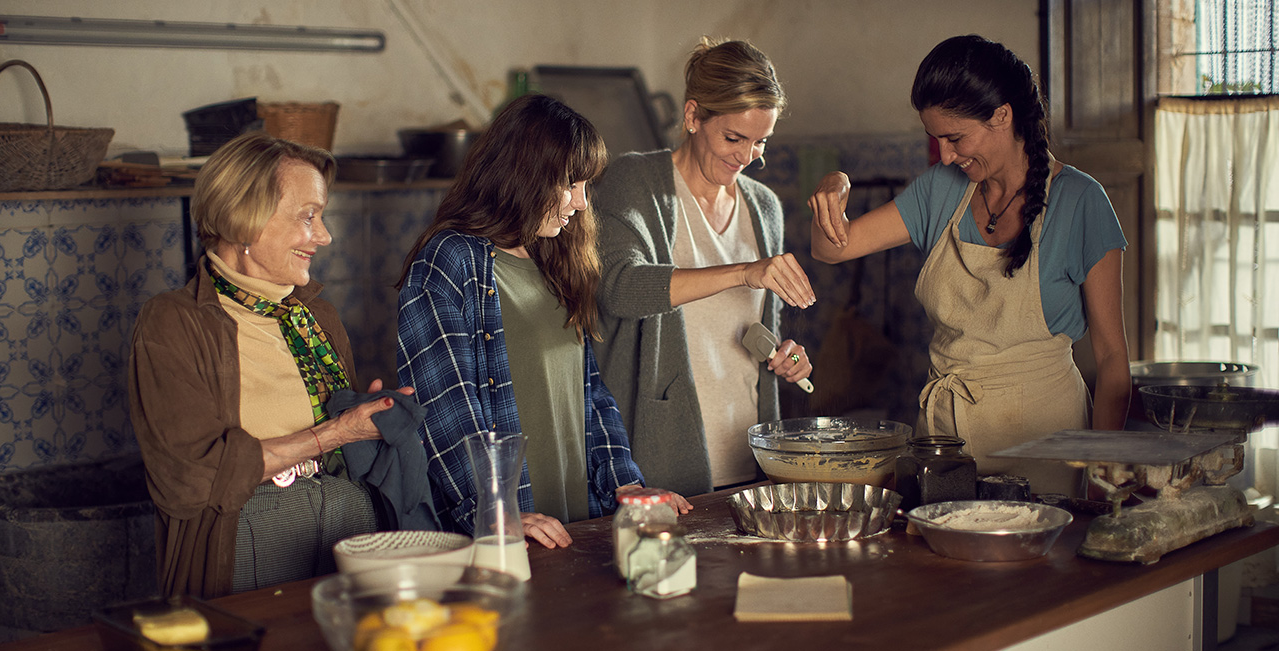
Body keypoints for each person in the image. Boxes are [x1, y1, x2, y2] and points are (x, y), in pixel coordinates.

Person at [808, 35, 1130, 496]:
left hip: (1047, 445)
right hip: (944, 444)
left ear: (1002, 115)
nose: (945, 155)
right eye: (936, 139)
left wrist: (1104, 471)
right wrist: (833, 185)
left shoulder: (1080, 201)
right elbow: (831, 249)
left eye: (955, 137)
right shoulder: (941, 190)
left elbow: (1113, 357)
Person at [128, 132, 417, 598]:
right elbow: (188, 478)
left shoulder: (315, 315)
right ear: (245, 219)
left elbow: (346, 442)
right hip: (248, 542)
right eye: (308, 217)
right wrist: (336, 434)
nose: (324, 236)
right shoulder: (174, 322)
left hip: (351, 524)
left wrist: (368, 416)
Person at [396, 94, 691, 550]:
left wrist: (625, 486)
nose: (580, 202)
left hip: (575, 521)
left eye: (585, 186)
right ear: (524, 175)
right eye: (570, 184)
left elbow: (590, 391)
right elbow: (444, 410)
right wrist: (496, 512)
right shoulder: (450, 260)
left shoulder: (554, 256)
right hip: (506, 532)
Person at [592, 37, 816, 495]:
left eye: (760, 142)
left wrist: (785, 356)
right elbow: (618, 288)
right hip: (659, 459)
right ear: (693, 116)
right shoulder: (636, 181)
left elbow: (749, 331)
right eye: (733, 138)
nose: (746, 157)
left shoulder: (764, 207)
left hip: (750, 454)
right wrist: (742, 271)